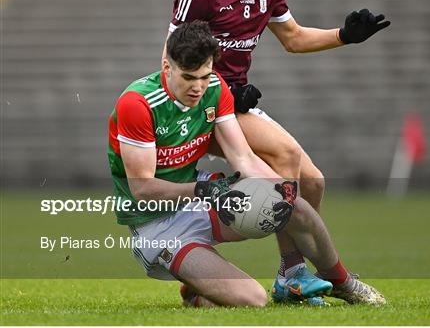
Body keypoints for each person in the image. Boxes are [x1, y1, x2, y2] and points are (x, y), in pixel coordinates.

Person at [164, 0, 391, 303]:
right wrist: (218, 88)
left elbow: (294, 38)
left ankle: (223, 268)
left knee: (314, 183)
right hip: (200, 107)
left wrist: (345, 36)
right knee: (285, 157)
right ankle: (295, 276)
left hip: (237, 104)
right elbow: (170, 61)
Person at [111, 20, 386, 307]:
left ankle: (343, 283)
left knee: (294, 206)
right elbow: (142, 188)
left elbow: (243, 157)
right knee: (254, 300)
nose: (198, 87)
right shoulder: (137, 103)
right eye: (189, 78)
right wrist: (204, 189)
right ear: (167, 68)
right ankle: (195, 289)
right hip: (157, 225)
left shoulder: (214, 88)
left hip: (202, 201)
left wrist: (279, 188)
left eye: (204, 76)